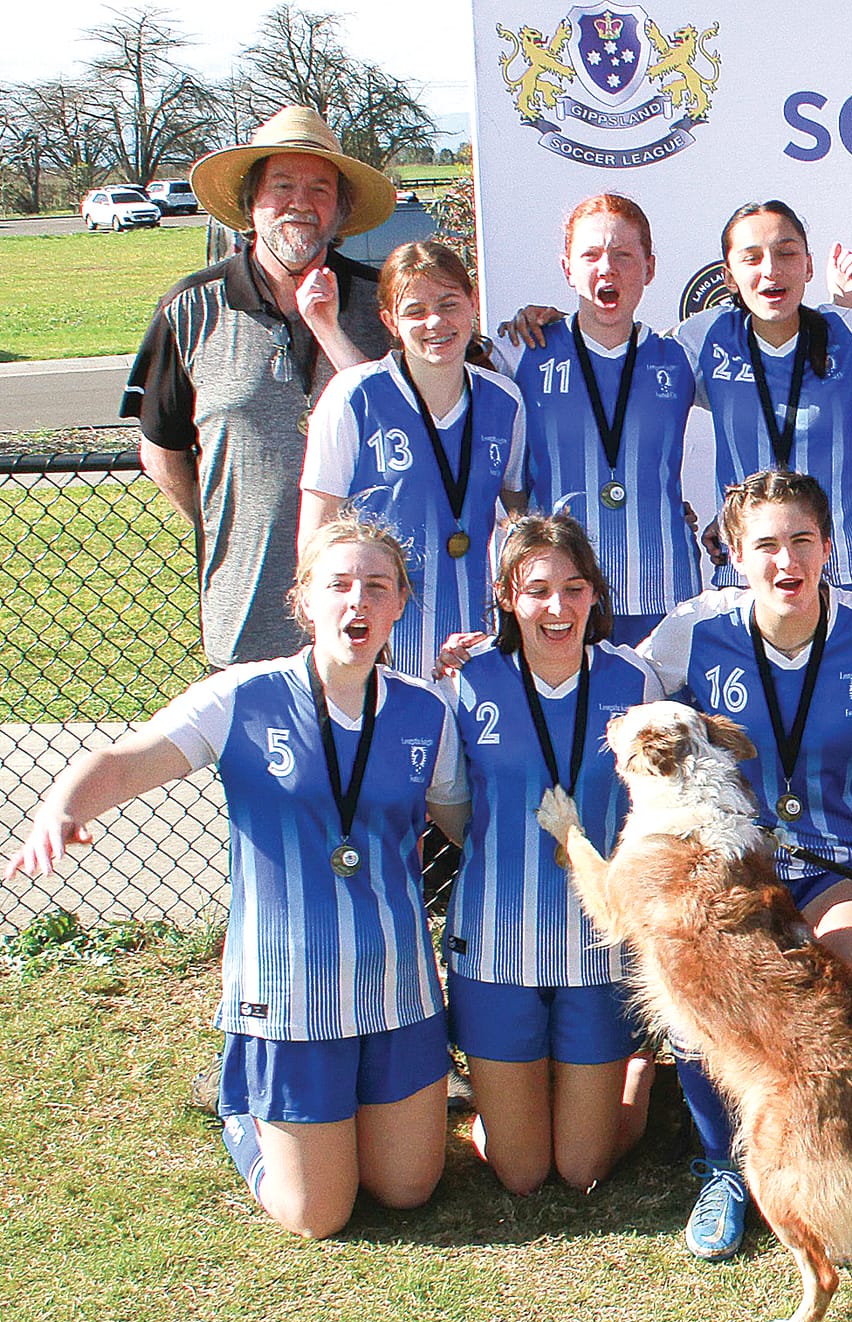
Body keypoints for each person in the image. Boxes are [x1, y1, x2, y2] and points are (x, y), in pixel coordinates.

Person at [6, 519, 461, 1238]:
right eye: (338, 583)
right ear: (305, 600)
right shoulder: (242, 697)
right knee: (318, 1214)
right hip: (285, 992)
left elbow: (467, 821)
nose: (358, 600)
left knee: (408, 1189)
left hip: (395, 985)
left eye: (377, 585)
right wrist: (63, 805)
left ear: (400, 602)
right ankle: (240, 1106)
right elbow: (128, 759)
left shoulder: (425, 711)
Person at [639, 470, 852, 1260]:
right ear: (736, 554)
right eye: (767, 544)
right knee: (706, 983)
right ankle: (725, 1168)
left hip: (851, 850)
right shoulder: (690, 631)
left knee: (840, 966)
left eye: (802, 540)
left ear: (829, 546)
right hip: (734, 861)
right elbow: (619, 692)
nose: (787, 559)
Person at [125, 105, 399, 669]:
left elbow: (459, 393)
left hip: (377, 623)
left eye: (320, 188)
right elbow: (160, 450)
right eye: (282, 186)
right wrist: (228, 529)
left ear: (341, 209)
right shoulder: (192, 308)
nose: (301, 202)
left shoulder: (387, 306)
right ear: (252, 203)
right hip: (247, 616)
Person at [440, 514, 660, 1196]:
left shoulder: (635, 679)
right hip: (498, 947)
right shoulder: (467, 679)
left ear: (595, 594)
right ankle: (515, 1106)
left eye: (573, 587)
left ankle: (645, 1064)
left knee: (583, 1169)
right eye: (536, 589)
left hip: (596, 948)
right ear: (508, 596)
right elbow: (452, 810)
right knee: (524, 1173)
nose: (557, 607)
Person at [301, 242, 527, 677]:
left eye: (448, 304)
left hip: (472, 644)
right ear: (390, 321)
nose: (436, 322)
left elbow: (514, 516)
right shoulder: (353, 396)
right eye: (415, 310)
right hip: (380, 643)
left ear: (472, 303)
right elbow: (315, 535)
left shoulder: (505, 400)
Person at [497, 194, 705, 644]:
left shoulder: (682, 356)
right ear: (567, 268)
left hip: (664, 591)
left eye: (623, 255)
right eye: (590, 255)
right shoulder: (521, 351)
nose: (606, 268)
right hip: (559, 595)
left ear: (649, 268)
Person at [674, 201, 852, 594]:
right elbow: (621, 368)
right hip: (747, 575)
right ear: (728, 276)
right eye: (752, 258)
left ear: (809, 265)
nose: (771, 270)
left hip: (844, 570)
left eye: (786, 253)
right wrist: (556, 327)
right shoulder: (704, 337)